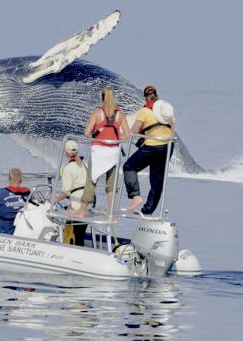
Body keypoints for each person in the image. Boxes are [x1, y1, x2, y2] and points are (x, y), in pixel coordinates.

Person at [77, 87, 130, 218]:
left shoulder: (97, 113)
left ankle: (81, 212)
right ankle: (112, 213)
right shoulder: (120, 114)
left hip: (98, 153)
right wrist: (116, 138)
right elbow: (128, 135)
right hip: (113, 153)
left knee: (91, 181)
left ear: (102, 98)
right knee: (111, 186)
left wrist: (98, 134)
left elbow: (86, 133)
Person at [123, 85, 176, 215]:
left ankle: (135, 196)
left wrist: (124, 135)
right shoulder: (168, 111)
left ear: (146, 98)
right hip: (167, 146)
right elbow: (172, 132)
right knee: (157, 180)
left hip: (152, 146)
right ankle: (147, 211)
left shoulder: (145, 111)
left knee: (129, 167)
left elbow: (134, 131)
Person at [54, 140, 88, 246]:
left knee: (73, 234)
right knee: (79, 233)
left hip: (78, 205)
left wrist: (53, 199)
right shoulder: (85, 164)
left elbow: (65, 192)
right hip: (89, 203)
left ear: (66, 153)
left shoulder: (68, 168)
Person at [0, 167, 30, 234]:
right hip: (19, 230)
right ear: (21, 179)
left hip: (2, 229)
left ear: (9, 178)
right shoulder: (28, 194)